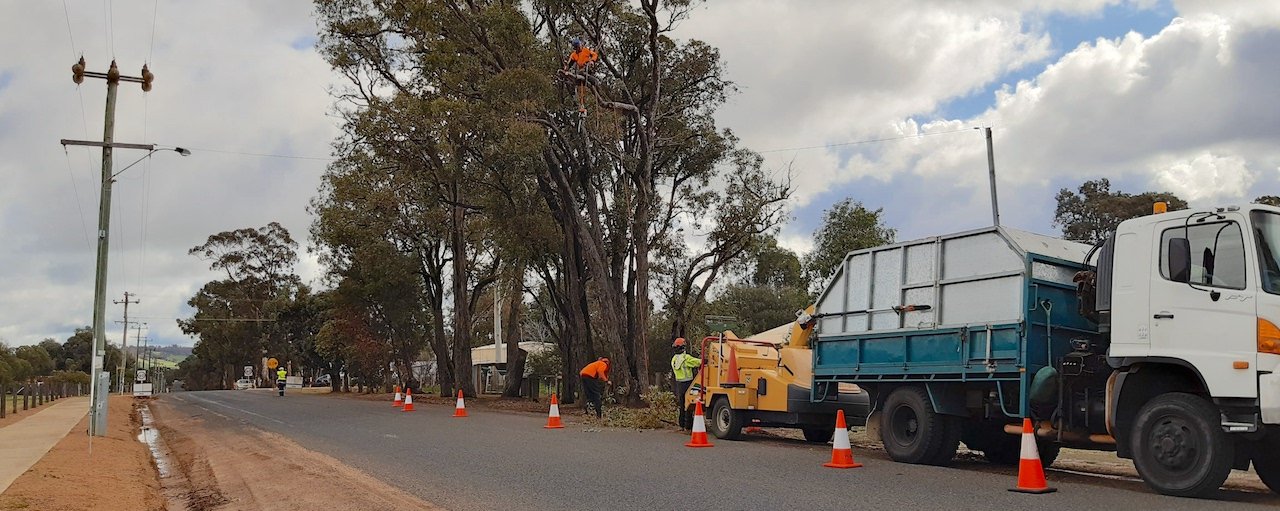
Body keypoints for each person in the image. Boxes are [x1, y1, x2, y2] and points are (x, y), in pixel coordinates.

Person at [670, 338, 701, 430]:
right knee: (689, 405)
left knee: (682, 404)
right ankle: (689, 426)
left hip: (679, 384)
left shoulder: (674, 359)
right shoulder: (686, 358)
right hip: (688, 384)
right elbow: (698, 362)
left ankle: (682, 425)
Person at [562, 37, 598, 114]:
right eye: (577, 47)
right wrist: (566, 69)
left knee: (581, 73)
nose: (579, 48)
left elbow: (594, 55)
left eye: (579, 46)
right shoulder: (574, 55)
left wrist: (592, 61)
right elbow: (569, 64)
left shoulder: (586, 50)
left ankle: (594, 80)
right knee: (577, 81)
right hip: (581, 71)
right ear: (575, 48)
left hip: (588, 68)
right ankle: (580, 103)